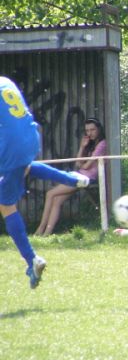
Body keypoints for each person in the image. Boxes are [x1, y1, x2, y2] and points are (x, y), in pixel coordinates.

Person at [0, 76, 89, 289]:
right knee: (23, 167)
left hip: (9, 143)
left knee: (6, 204)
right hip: (30, 137)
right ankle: (71, 178)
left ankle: (32, 259)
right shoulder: (5, 81)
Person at [35, 118, 106, 236]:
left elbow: (86, 166)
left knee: (50, 194)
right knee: (56, 200)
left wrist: (83, 164)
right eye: (87, 130)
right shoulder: (91, 144)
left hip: (86, 178)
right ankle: (47, 233)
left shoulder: (102, 144)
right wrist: (82, 147)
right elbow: (78, 163)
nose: (90, 133)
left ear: (99, 129)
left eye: (93, 130)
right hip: (79, 175)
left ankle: (40, 228)